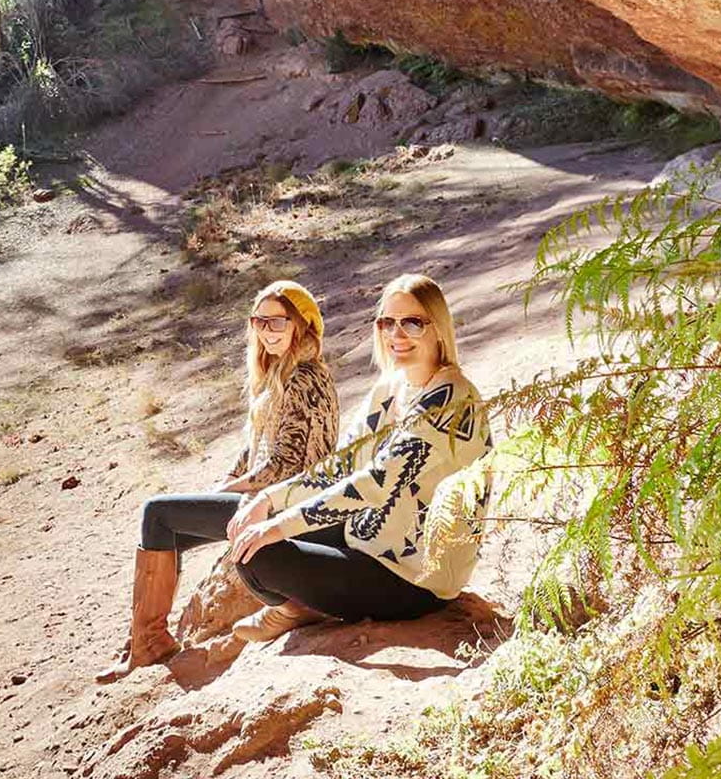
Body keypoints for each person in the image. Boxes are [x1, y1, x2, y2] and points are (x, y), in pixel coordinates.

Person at [222, 273, 494, 642]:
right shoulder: (391, 386)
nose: (397, 335)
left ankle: (304, 606)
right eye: (387, 323)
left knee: (259, 554)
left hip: (415, 577)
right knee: (250, 537)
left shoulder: (450, 399)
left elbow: (376, 484)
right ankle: (304, 604)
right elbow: (342, 465)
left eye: (413, 323)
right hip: (365, 539)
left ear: (439, 328)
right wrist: (269, 500)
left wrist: (278, 525)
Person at [96, 280, 341, 683]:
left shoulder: (305, 377)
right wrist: (225, 483)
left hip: (288, 502)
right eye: (259, 321)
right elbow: (254, 451)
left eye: (278, 321)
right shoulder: (277, 374)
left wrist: (230, 492)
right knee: (166, 525)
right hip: (263, 495)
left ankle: (149, 642)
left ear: (302, 323)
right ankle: (146, 639)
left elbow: (288, 463)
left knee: (157, 514)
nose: (267, 330)